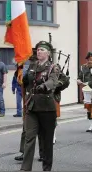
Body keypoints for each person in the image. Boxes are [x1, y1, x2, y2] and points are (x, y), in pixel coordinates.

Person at [20, 41, 60, 171]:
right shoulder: (32, 66)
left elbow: (53, 81)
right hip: (32, 107)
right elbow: (25, 82)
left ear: (48, 53)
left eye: (42, 49)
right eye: (37, 49)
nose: (38, 51)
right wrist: (20, 74)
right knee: (29, 137)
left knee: (47, 141)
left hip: (47, 108)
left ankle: (46, 168)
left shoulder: (53, 67)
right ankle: (25, 168)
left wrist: (44, 86)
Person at [77, 52, 92, 133]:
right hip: (86, 89)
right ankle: (91, 124)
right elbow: (80, 77)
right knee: (88, 108)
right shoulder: (83, 68)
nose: (91, 61)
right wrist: (79, 81)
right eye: (90, 60)